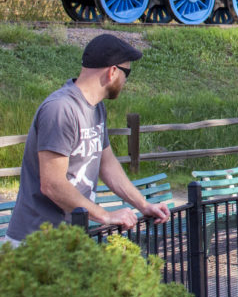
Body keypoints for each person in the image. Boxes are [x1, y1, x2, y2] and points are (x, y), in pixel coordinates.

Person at [2, 34, 170, 248]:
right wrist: (105, 216)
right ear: (112, 72)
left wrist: (143, 204)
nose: (126, 81)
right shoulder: (61, 109)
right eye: (127, 73)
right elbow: (52, 184)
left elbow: (106, 163)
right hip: (37, 243)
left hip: (70, 237)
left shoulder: (95, 108)